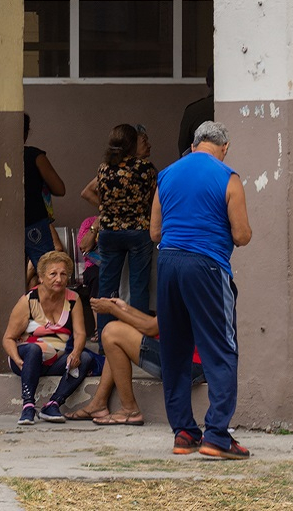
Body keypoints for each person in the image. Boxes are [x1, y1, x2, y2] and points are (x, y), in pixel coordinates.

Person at [150, 120, 252, 459]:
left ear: (194, 145)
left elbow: (155, 233)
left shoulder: (166, 174)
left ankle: (183, 433)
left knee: (174, 349)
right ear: (224, 148)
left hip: (168, 264)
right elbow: (241, 234)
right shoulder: (228, 176)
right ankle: (218, 436)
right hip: (206, 266)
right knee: (221, 348)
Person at [63, 296, 205, 426]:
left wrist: (112, 309)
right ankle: (98, 404)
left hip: (191, 366)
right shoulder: (184, 278)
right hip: (187, 359)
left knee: (113, 332)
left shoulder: (183, 280)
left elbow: (150, 329)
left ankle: (129, 409)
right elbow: (154, 324)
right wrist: (125, 308)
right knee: (118, 329)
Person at [2, 251, 95, 425]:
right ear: (41, 278)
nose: (59, 279)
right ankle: (28, 405)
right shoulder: (28, 301)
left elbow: (80, 333)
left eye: (63, 274)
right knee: (33, 348)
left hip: (53, 362)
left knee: (85, 357)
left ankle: (53, 404)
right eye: (53, 274)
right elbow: (8, 338)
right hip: (25, 360)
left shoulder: (73, 299)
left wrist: (75, 353)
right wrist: (16, 358)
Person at [92, 124, 157, 337]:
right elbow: (153, 200)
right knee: (138, 286)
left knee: (107, 285)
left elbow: (99, 196)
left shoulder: (103, 168)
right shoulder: (145, 168)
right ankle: (138, 340)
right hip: (138, 230)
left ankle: (104, 339)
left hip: (109, 232)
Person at [23, 113, 66, 271]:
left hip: (6, 226)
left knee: (9, 278)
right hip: (35, 222)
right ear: (26, 133)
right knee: (49, 273)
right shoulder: (35, 156)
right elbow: (59, 189)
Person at [177, 65, 214, 156]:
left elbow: (184, 150)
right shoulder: (236, 111)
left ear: (207, 81)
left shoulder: (193, 111)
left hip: (199, 166)